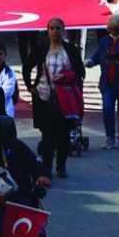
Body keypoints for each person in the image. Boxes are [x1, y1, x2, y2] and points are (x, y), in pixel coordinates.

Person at [23, 17, 85, 178]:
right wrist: (30, 87)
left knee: (63, 135)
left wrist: (73, 87)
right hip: (44, 97)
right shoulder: (41, 48)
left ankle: (61, 166)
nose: (55, 31)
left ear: (63, 30)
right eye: (52, 28)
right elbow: (26, 67)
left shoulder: (71, 50)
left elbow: (81, 72)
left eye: (58, 28)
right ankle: (46, 169)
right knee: (47, 135)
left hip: (66, 99)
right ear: (47, 30)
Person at [87, 14, 119, 150]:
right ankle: (109, 137)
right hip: (107, 82)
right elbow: (99, 54)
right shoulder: (104, 40)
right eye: (111, 29)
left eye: (116, 29)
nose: (114, 32)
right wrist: (91, 61)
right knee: (107, 109)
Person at [0, 42, 19, 118]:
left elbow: (6, 92)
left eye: (0, 54)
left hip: (5, 111)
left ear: (5, 56)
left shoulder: (9, 73)